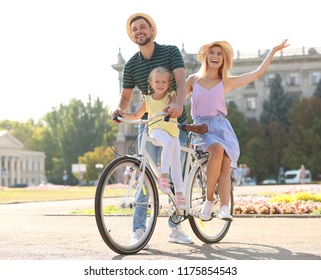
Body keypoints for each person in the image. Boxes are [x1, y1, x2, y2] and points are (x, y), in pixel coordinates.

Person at [111, 13, 193, 245]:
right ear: (132, 35)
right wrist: (118, 110)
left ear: (151, 30)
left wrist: (178, 103)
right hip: (151, 125)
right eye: (134, 29)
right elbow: (125, 96)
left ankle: (175, 230)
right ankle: (139, 229)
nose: (139, 31)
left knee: (176, 178)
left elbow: (180, 79)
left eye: (143, 27)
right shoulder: (131, 65)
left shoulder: (170, 52)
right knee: (143, 177)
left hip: (176, 125)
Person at [186, 39, 289, 221]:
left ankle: (225, 208)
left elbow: (257, 74)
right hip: (201, 128)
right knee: (217, 149)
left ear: (224, 60)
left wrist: (272, 50)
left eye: (220, 54)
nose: (215, 56)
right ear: (206, 56)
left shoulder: (226, 82)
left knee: (226, 166)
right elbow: (178, 100)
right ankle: (209, 201)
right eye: (212, 53)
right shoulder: (193, 80)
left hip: (221, 128)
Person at [121, 67, 188, 209]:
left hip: (172, 132)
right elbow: (135, 115)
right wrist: (121, 115)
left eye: (164, 82)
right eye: (157, 81)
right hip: (156, 131)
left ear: (169, 84)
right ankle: (163, 178)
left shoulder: (172, 95)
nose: (160, 84)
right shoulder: (148, 100)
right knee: (168, 143)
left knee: (176, 166)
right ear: (150, 83)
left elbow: (176, 104)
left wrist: (173, 105)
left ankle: (180, 195)